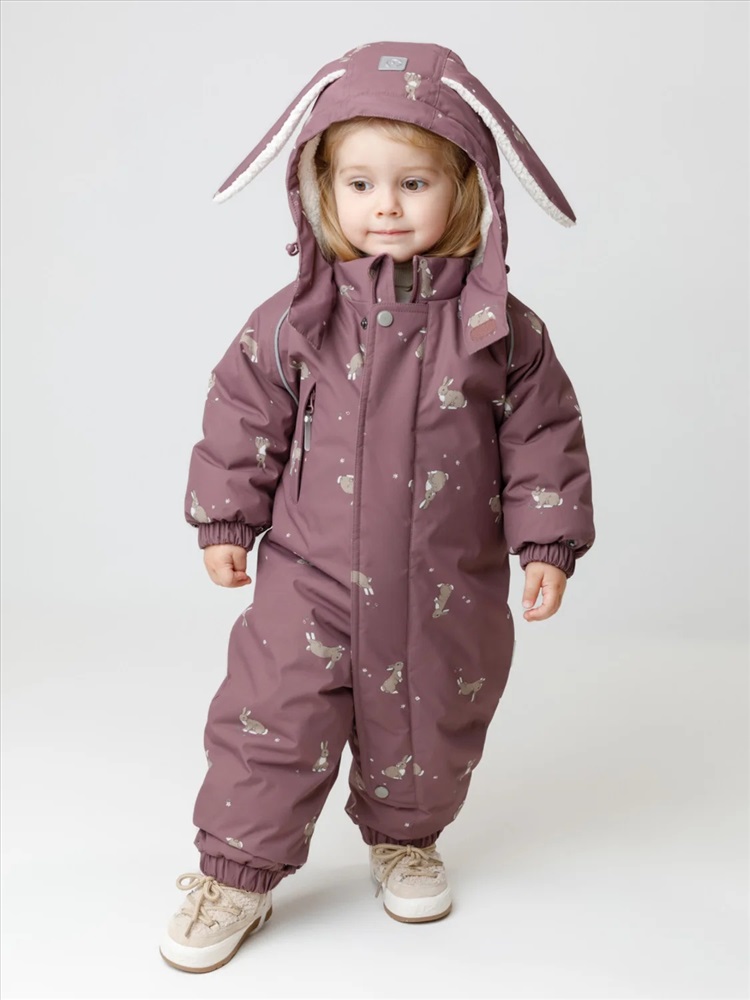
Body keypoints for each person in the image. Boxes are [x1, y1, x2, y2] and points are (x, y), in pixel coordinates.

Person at [160, 41, 595, 974]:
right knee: (271, 715)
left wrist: (547, 543)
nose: (385, 206)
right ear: (323, 191)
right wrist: (227, 518)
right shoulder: (297, 319)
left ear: (466, 189)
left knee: (430, 718)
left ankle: (407, 837)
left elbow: (544, 437)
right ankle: (233, 873)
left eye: (413, 182)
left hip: (445, 582)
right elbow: (244, 411)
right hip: (310, 576)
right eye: (359, 184)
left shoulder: (500, 332)